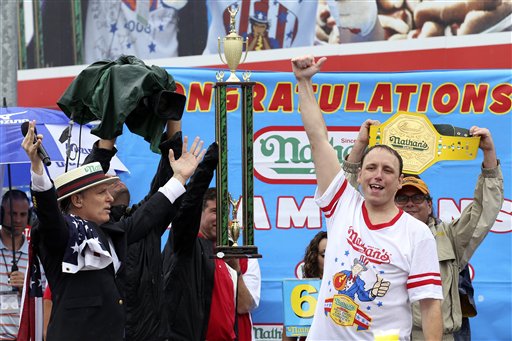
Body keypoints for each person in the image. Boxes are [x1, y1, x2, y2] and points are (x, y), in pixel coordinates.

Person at [291, 55, 443, 340]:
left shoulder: (417, 233)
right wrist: (304, 82)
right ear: (358, 175)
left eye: (388, 171)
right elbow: (318, 139)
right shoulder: (342, 203)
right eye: (371, 168)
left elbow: (430, 305)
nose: (378, 175)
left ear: (399, 182)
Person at [21, 120, 205, 340]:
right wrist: (37, 168)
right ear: (77, 199)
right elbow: (49, 213)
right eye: (101, 193)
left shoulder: (112, 232)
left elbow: (149, 212)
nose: (110, 198)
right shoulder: (62, 233)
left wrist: (180, 177)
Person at [344, 120, 504, 340]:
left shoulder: (450, 237)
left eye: (418, 197)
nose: (410, 203)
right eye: (402, 197)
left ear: (430, 204)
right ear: (391, 197)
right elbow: (342, 197)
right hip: (385, 334)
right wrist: (361, 144)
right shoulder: (370, 231)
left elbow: (485, 209)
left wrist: (488, 153)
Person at [83, 119, 183, 340]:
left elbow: (165, 188)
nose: (114, 179)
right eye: (104, 185)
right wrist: (108, 134)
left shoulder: (143, 220)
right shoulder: (91, 230)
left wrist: (173, 122)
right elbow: (83, 184)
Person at [162, 183, 259, 341]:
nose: (220, 218)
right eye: (214, 211)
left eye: (224, 213)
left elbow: (242, 306)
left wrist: (236, 270)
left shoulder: (229, 255)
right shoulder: (187, 247)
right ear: (198, 213)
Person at [282, 231, 327, 341]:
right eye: (324, 255)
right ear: (314, 258)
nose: (330, 260)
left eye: (334, 254)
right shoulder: (302, 291)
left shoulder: (351, 292)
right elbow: (289, 336)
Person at [0, 190, 31, 340]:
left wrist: (26, 287)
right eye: (13, 214)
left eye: (23, 215)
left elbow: (45, 301)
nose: (18, 220)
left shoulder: (36, 255)